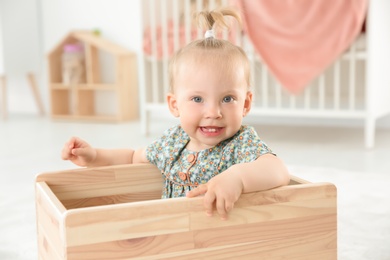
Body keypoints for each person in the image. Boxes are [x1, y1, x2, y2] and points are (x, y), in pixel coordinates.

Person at [61, 7, 290, 220]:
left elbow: (278, 170)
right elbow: (132, 157)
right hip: (173, 233)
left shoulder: (241, 143)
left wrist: (237, 178)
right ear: (174, 105)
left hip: (220, 239)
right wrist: (94, 156)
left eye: (228, 99)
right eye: (197, 99)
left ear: (246, 104)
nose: (213, 112)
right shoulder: (173, 143)